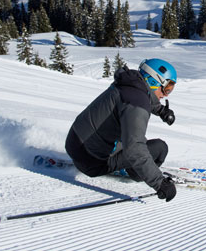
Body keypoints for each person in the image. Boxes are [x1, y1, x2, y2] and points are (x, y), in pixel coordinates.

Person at [65, 58, 178, 202]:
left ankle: (129, 163)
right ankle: (133, 171)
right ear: (154, 81)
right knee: (159, 148)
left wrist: (161, 110)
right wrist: (160, 183)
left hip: (74, 144)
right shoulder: (137, 103)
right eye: (167, 88)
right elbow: (135, 148)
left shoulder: (127, 84)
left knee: (130, 135)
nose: (166, 94)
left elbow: (143, 95)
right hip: (92, 163)